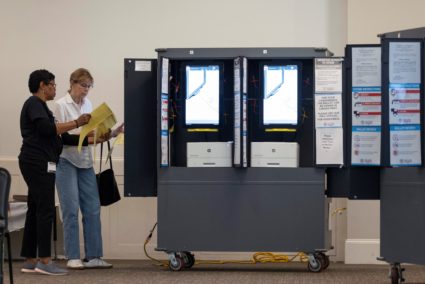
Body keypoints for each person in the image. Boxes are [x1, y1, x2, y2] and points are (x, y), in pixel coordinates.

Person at [19, 69, 91, 276]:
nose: (55, 88)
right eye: (52, 84)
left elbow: (62, 138)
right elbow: (47, 130)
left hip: (40, 161)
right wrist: (78, 122)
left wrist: (96, 138)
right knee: (46, 209)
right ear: (42, 85)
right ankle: (45, 260)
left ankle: (30, 260)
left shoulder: (42, 107)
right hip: (37, 162)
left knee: (35, 208)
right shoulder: (34, 103)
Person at [53, 68, 124, 270]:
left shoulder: (89, 105)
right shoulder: (60, 105)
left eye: (89, 86)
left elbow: (90, 135)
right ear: (72, 83)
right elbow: (63, 137)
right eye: (83, 85)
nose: (86, 90)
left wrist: (110, 134)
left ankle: (93, 256)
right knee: (71, 210)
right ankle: (73, 255)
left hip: (85, 161)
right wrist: (89, 135)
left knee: (92, 209)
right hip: (65, 160)